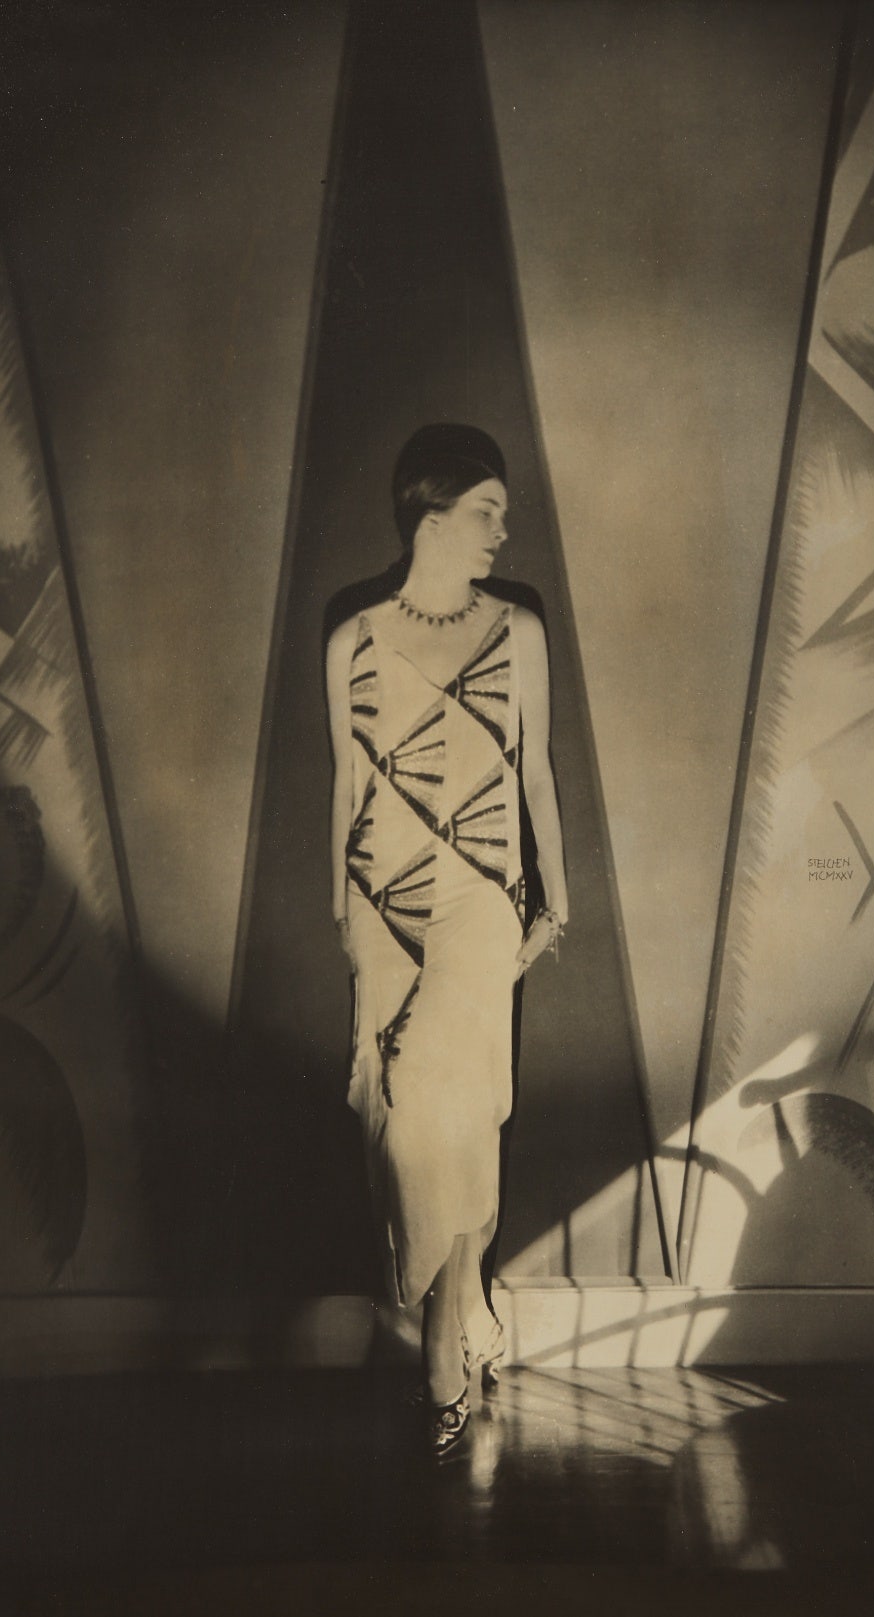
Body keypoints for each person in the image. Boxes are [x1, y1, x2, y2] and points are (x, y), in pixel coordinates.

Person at [324, 423, 568, 1457]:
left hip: (480, 895)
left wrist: (556, 899)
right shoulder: (351, 637)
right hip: (381, 902)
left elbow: (535, 771)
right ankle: (466, 1295)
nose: (502, 533)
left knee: (449, 1105)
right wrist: (343, 915)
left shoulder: (517, 630)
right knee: (399, 1117)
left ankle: (438, 1339)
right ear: (429, 513)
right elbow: (346, 782)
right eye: (485, 512)